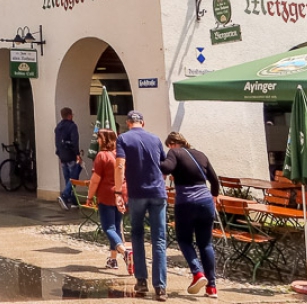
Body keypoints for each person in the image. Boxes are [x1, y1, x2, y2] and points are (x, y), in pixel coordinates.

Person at [115, 111, 168, 300]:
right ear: (143, 123)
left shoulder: (123, 139)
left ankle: (142, 282)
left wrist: (118, 192)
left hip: (137, 194)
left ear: (128, 123)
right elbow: (165, 165)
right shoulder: (155, 138)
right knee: (159, 239)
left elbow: (120, 165)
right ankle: (161, 287)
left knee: (137, 235)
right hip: (157, 193)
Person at [162, 132, 221, 298]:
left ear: (173, 144)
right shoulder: (201, 155)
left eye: (169, 146)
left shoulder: (175, 153)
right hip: (206, 202)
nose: (169, 149)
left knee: (184, 240)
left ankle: (198, 273)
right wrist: (213, 197)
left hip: (186, 203)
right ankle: (212, 287)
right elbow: (214, 181)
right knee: (206, 244)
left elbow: (166, 167)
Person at [87, 128, 128, 270]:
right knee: (117, 226)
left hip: (106, 194)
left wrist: (90, 196)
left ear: (104, 139)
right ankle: (112, 259)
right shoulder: (121, 154)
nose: (97, 140)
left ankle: (125, 252)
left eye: (99, 138)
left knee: (108, 228)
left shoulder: (101, 156)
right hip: (122, 193)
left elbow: (95, 180)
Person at [55, 107, 81, 210]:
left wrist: (59, 154)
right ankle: (65, 195)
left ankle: (73, 201)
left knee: (68, 180)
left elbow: (57, 143)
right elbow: (75, 142)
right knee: (73, 179)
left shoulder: (58, 127)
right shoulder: (72, 126)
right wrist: (77, 154)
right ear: (70, 115)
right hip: (71, 155)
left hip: (63, 156)